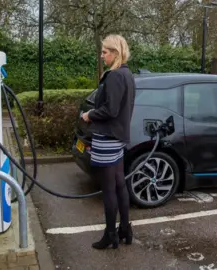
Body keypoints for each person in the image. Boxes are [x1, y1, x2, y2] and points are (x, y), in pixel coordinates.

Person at [81, 34, 136, 249]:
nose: (102, 55)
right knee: (120, 183)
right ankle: (124, 229)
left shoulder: (114, 76)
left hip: (107, 137)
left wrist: (90, 115)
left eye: (105, 51)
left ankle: (110, 234)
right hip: (118, 137)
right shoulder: (127, 74)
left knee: (109, 188)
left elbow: (110, 110)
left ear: (115, 53)